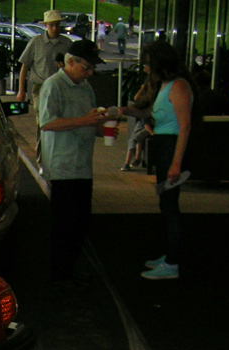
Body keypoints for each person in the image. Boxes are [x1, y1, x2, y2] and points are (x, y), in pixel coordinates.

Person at [37, 39, 110, 287]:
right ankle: (59, 273)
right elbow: (47, 123)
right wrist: (84, 121)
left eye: (91, 69)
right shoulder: (53, 86)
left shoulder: (86, 88)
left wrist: (102, 129)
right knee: (64, 224)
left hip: (82, 166)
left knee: (80, 222)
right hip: (62, 166)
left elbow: (89, 120)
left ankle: (70, 267)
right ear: (70, 62)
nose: (89, 73)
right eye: (86, 67)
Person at [120, 40, 194, 280]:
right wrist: (123, 111)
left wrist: (175, 163)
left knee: (170, 206)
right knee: (166, 204)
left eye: (148, 64)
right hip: (164, 147)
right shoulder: (166, 85)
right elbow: (148, 113)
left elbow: (185, 126)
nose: (145, 69)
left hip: (171, 148)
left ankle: (172, 262)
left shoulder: (179, 86)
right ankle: (169, 256)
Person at [15, 10, 72, 112]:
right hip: (40, 85)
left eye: (57, 25)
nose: (54, 28)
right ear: (46, 25)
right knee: (42, 115)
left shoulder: (67, 43)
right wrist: (21, 90)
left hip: (61, 86)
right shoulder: (36, 42)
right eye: (51, 25)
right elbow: (24, 66)